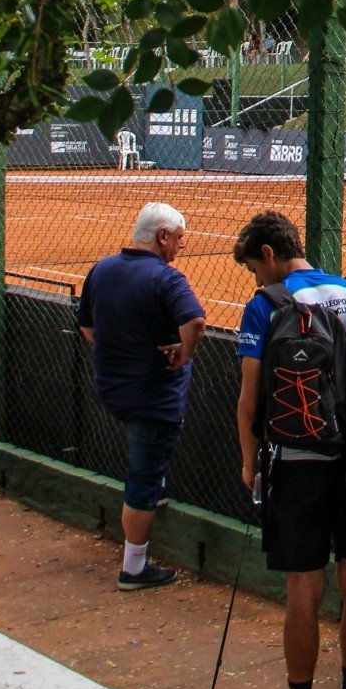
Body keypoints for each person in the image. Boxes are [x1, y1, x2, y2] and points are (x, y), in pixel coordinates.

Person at [231, 212, 346, 689]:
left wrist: (250, 461)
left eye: (254, 268)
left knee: (303, 589)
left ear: (270, 254)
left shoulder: (266, 304)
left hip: (295, 460)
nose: (255, 280)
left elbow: (250, 399)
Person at [77, 202, 206, 592]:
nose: (181, 246)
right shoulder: (167, 279)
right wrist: (183, 352)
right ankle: (133, 567)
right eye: (178, 239)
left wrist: (123, 348)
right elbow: (196, 322)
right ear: (161, 236)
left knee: (145, 461)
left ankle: (155, 489)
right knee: (142, 477)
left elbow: (87, 326)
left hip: (113, 389)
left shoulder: (102, 269)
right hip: (154, 398)